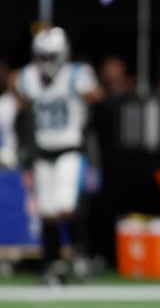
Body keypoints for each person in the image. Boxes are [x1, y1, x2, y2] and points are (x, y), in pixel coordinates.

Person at [16, 28, 101, 283]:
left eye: (50, 56)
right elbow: (22, 110)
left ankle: (80, 254)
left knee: (66, 206)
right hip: (43, 150)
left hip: (69, 148)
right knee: (47, 210)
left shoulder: (76, 75)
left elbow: (97, 97)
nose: (45, 62)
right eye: (41, 56)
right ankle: (53, 263)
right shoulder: (28, 78)